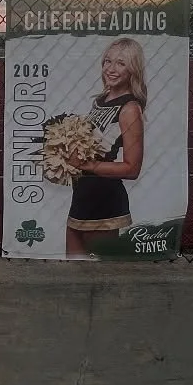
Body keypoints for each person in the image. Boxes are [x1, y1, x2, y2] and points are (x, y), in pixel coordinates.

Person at [65, 37, 147, 258]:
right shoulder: (101, 99)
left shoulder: (130, 109)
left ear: (133, 69)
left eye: (121, 63)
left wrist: (85, 164)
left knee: (100, 277)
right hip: (82, 194)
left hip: (104, 199)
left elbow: (132, 168)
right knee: (73, 272)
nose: (111, 69)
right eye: (107, 61)